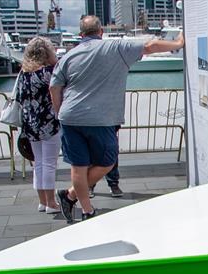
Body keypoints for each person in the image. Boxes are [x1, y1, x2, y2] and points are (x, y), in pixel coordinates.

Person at [50, 15, 184, 223]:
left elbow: (54, 87)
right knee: (107, 162)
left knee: (78, 166)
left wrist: (60, 112)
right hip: (100, 119)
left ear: (81, 34)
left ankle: (82, 207)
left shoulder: (69, 56)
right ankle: (74, 199)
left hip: (70, 117)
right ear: (101, 32)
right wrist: (178, 43)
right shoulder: (116, 48)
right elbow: (150, 46)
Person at [19, 37, 62, 214]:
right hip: (48, 122)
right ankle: (51, 202)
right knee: (49, 163)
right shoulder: (47, 72)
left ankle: (42, 201)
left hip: (30, 123)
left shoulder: (24, 72)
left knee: (38, 162)